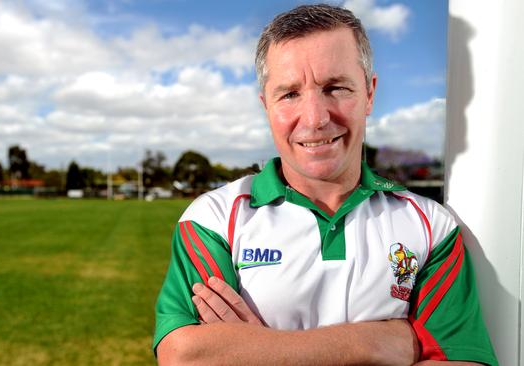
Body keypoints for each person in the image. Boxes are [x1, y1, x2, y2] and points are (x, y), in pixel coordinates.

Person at [153, 4, 497, 365]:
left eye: (335, 88)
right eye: (289, 94)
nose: (315, 119)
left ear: (369, 93)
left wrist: (258, 349)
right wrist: (372, 344)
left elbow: (464, 360)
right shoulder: (214, 219)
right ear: (265, 105)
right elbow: (186, 357)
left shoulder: (431, 226)